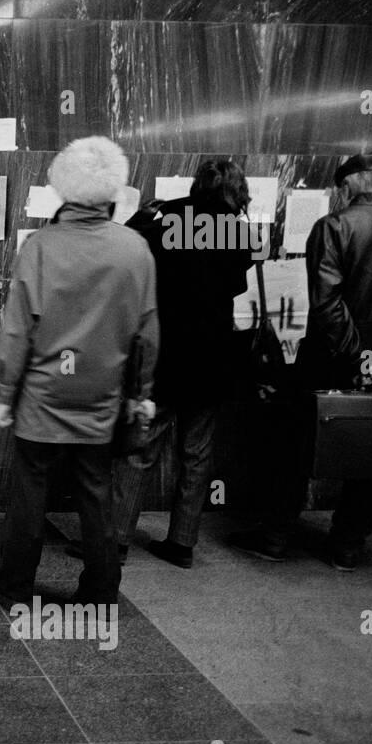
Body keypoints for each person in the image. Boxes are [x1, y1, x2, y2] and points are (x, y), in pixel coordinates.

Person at [0, 136, 158, 607]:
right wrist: (140, 393)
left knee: (28, 495)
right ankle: (100, 591)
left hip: (42, 397)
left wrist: (3, 394)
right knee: (96, 496)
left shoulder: (40, 247)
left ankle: (12, 582)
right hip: (102, 397)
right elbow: (147, 334)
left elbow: (17, 332)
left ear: (64, 188)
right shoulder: (135, 250)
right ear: (114, 191)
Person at [230, 152, 372, 570]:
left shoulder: (335, 226)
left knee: (294, 445)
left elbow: (325, 301)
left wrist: (357, 356)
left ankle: (275, 536)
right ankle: (348, 546)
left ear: (351, 184)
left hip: (332, 358)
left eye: (341, 186)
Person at [105, 161, 256, 569]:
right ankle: (183, 542)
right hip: (213, 358)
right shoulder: (239, 230)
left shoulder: (167, 215)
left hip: (167, 353)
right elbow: (239, 285)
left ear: (198, 183)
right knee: (197, 453)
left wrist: (144, 214)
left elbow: (126, 248)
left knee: (140, 448)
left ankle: (115, 541)